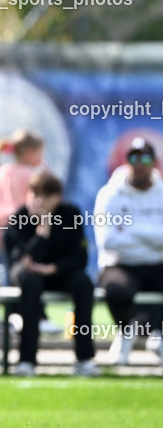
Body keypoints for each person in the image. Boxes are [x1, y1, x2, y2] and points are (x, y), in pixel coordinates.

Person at [5, 170, 99, 377]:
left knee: (84, 283)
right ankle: (26, 360)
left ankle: (84, 359)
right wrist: (42, 231)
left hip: (59, 273)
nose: (39, 200)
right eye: (35, 194)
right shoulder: (19, 217)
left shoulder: (70, 214)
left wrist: (53, 268)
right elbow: (22, 259)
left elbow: (79, 256)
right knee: (30, 282)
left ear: (57, 197)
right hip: (30, 276)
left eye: (46, 195)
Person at [93, 137, 163, 366]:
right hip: (120, 264)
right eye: (134, 157)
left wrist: (130, 230)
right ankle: (126, 332)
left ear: (154, 162)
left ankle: (158, 334)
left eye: (145, 157)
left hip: (157, 262)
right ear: (126, 161)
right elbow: (109, 241)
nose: (139, 163)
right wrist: (154, 236)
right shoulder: (109, 194)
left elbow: (121, 237)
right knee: (116, 290)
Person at [0, 129, 45, 257]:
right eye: (39, 154)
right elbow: (34, 206)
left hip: (0, 234)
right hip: (22, 233)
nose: (41, 159)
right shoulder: (29, 175)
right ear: (29, 153)